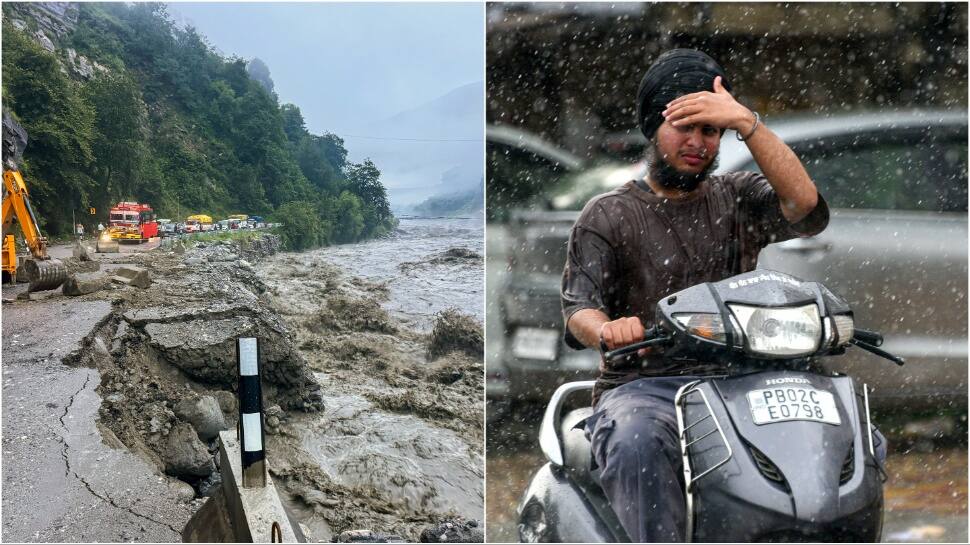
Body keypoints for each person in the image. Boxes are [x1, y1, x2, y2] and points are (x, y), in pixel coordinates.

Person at [560, 49, 850, 542]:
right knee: (637, 443)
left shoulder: (736, 196)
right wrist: (609, 329)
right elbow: (577, 309)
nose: (697, 143)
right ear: (654, 130)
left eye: (710, 130)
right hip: (645, 388)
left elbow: (803, 204)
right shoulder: (606, 214)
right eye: (683, 127)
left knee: (847, 435)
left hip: (746, 378)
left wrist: (746, 122)